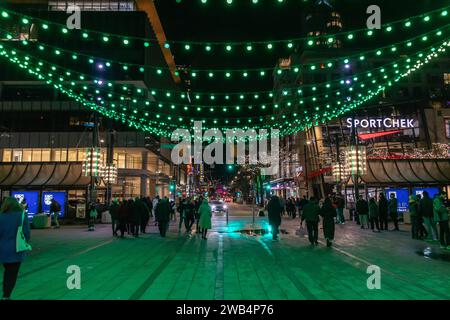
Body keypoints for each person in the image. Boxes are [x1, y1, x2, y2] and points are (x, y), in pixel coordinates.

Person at [0, 197, 31, 300]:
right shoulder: (22, 216)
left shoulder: (1, 216)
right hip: (17, 249)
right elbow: (26, 233)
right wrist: (26, 243)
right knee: (12, 273)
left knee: (8, 271)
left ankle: (6, 293)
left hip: (3, 249)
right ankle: (6, 295)